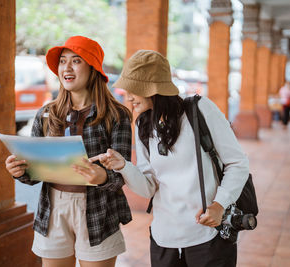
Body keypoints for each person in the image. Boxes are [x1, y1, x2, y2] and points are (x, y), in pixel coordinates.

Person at [89, 50, 250, 267]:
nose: (128, 97)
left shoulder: (199, 110)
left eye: (134, 89)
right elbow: (148, 188)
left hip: (208, 235)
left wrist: (220, 205)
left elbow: (237, 163)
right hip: (164, 239)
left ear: (152, 87)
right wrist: (123, 166)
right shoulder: (143, 125)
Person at [5, 36, 133, 267]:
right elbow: (34, 173)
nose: (67, 67)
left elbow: (123, 173)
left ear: (93, 68)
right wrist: (19, 172)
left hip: (99, 211)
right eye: (63, 61)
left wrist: (102, 176)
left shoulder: (116, 115)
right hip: (53, 209)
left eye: (76, 61)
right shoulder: (46, 114)